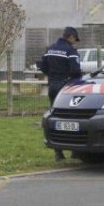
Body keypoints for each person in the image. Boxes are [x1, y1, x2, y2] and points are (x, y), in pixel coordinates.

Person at [38, 26, 82, 161]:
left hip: (52, 85)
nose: (75, 42)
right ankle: (75, 151)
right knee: (73, 118)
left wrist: (52, 76)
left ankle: (58, 152)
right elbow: (75, 70)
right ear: (71, 37)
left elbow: (42, 65)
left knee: (55, 117)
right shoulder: (70, 51)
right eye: (75, 39)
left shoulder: (50, 48)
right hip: (66, 88)